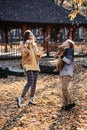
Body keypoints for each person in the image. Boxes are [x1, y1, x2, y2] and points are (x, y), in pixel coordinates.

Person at [17, 30, 42, 108]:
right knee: (30, 81)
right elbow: (23, 54)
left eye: (32, 35)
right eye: (30, 34)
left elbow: (37, 55)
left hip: (35, 66)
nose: (32, 36)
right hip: (28, 65)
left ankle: (31, 99)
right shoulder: (22, 45)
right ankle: (21, 98)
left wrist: (39, 55)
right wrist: (27, 46)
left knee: (34, 82)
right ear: (27, 36)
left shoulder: (34, 45)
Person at [59, 39, 76, 111]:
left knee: (64, 88)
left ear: (68, 44)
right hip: (63, 72)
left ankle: (71, 102)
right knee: (63, 89)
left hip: (67, 72)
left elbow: (68, 61)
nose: (63, 42)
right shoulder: (64, 51)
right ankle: (65, 105)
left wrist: (62, 56)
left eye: (65, 41)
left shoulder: (69, 50)